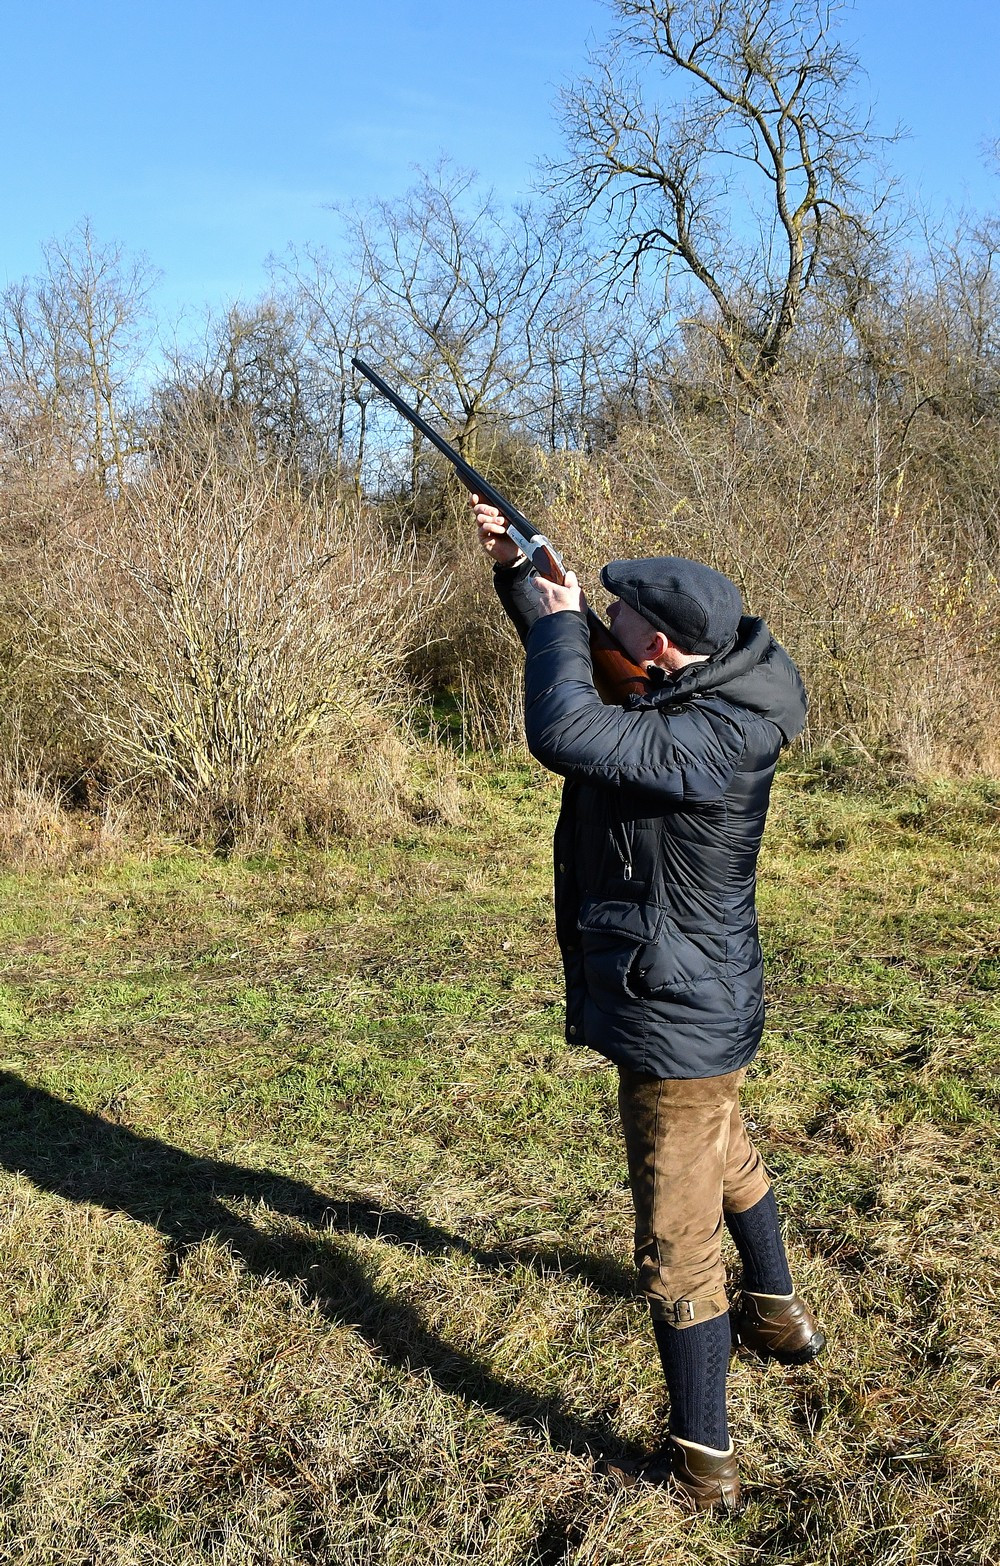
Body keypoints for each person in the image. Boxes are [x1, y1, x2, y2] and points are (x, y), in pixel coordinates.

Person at [471, 495, 825, 1512]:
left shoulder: (705, 741)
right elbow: (590, 659)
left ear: (662, 646)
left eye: (620, 613)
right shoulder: (715, 687)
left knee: (677, 1247)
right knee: (726, 1151)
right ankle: (779, 1317)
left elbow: (566, 725)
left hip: (673, 1006)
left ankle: (704, 1465)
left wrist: (555, 624)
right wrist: (524, 576)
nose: (604, 618)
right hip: (698, 990)